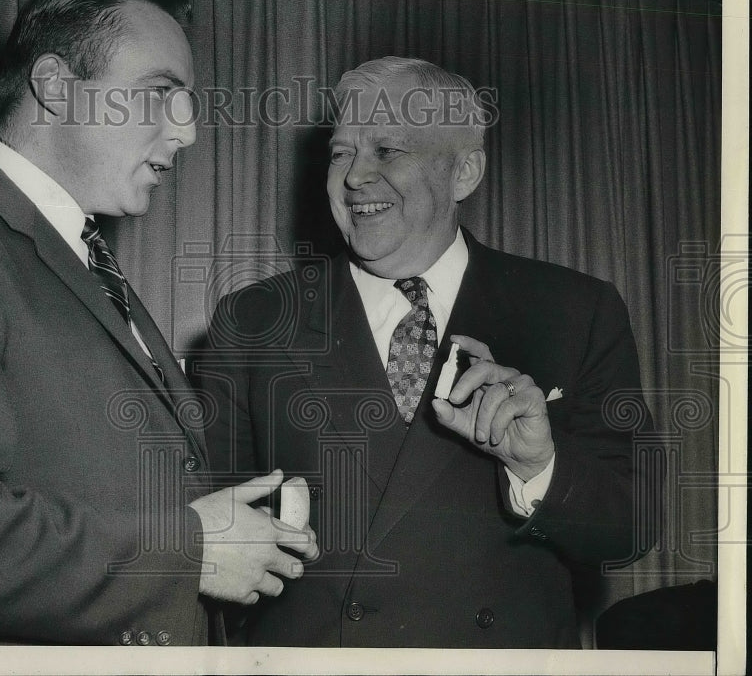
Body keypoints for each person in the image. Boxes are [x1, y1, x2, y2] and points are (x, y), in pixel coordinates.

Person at [0, 0, 316, 646]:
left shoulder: (84, 261)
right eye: (159, 95)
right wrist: (188, 550)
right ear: (55, 87)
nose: (188, 132)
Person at [196, 57, 648, 647]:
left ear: (464, 172)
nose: (354, 177)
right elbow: (208, 530)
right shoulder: (253, 321)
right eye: (340, 153)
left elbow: (632, 528)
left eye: (387, 150)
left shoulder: (575, 310)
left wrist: (539, 468)